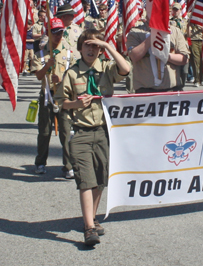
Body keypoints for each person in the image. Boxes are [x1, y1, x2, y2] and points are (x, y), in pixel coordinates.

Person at [55, 29, 130, 245]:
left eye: (95, 45)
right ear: (80, 48)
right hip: (81, 132)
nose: (91, 49)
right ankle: (88, 227)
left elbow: (125, 68)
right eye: (87, 45)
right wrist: (77, 104)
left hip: (104, 131)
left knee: (100, 178)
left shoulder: (106, 69)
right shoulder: (72, 73)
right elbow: (61, 101)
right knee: (85, 180)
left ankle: (93, 217)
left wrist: (108, 47)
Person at [30, 18, 77, 176]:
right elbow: (38, 76)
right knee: (44, 132)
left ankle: (68, 166)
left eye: (61, 32)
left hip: (63, 97)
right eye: (55, 32)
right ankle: (40, 162)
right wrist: (47, 67)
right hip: (47, 96)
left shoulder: (69, 54)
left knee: (66, 132)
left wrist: (62, 80)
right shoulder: (40, 54)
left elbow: (75, 76)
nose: (58, 35)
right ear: (48, 33)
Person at [127, 15, 190, 93]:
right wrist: (153, 36)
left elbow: (184, 59)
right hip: (145, 90)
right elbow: (134, 56)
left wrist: (166, 56)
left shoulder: (175, 31)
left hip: (171, 89)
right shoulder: (135, 32)